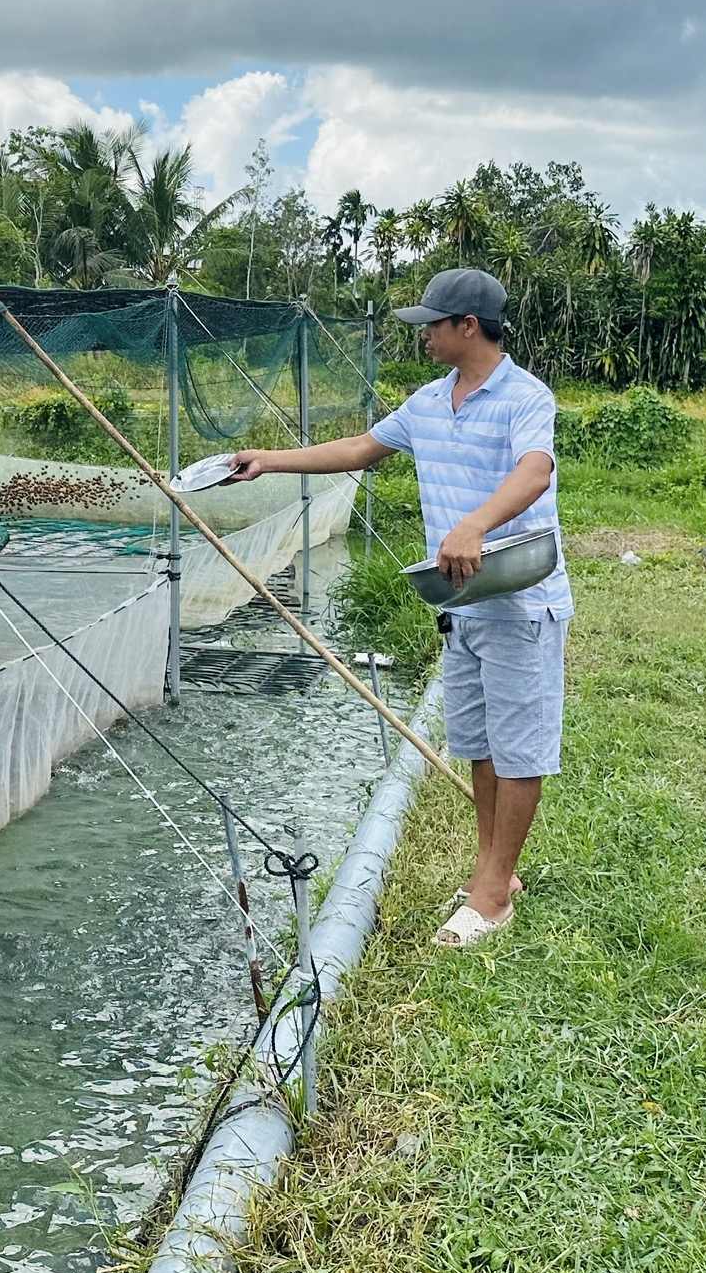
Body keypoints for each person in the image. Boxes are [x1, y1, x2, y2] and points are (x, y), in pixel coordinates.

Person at [224, 266, 569, 947]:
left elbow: (535, 469)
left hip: (520, 600)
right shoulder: (429, 401)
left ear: (467, 327)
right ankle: (493, 874)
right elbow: (361, 448)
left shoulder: (525, 397)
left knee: (519, 746)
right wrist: (270, 458)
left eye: (432, 325)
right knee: (477, 742)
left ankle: (494, 897)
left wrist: (473, 524)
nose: (425, 337)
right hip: (463, 601)